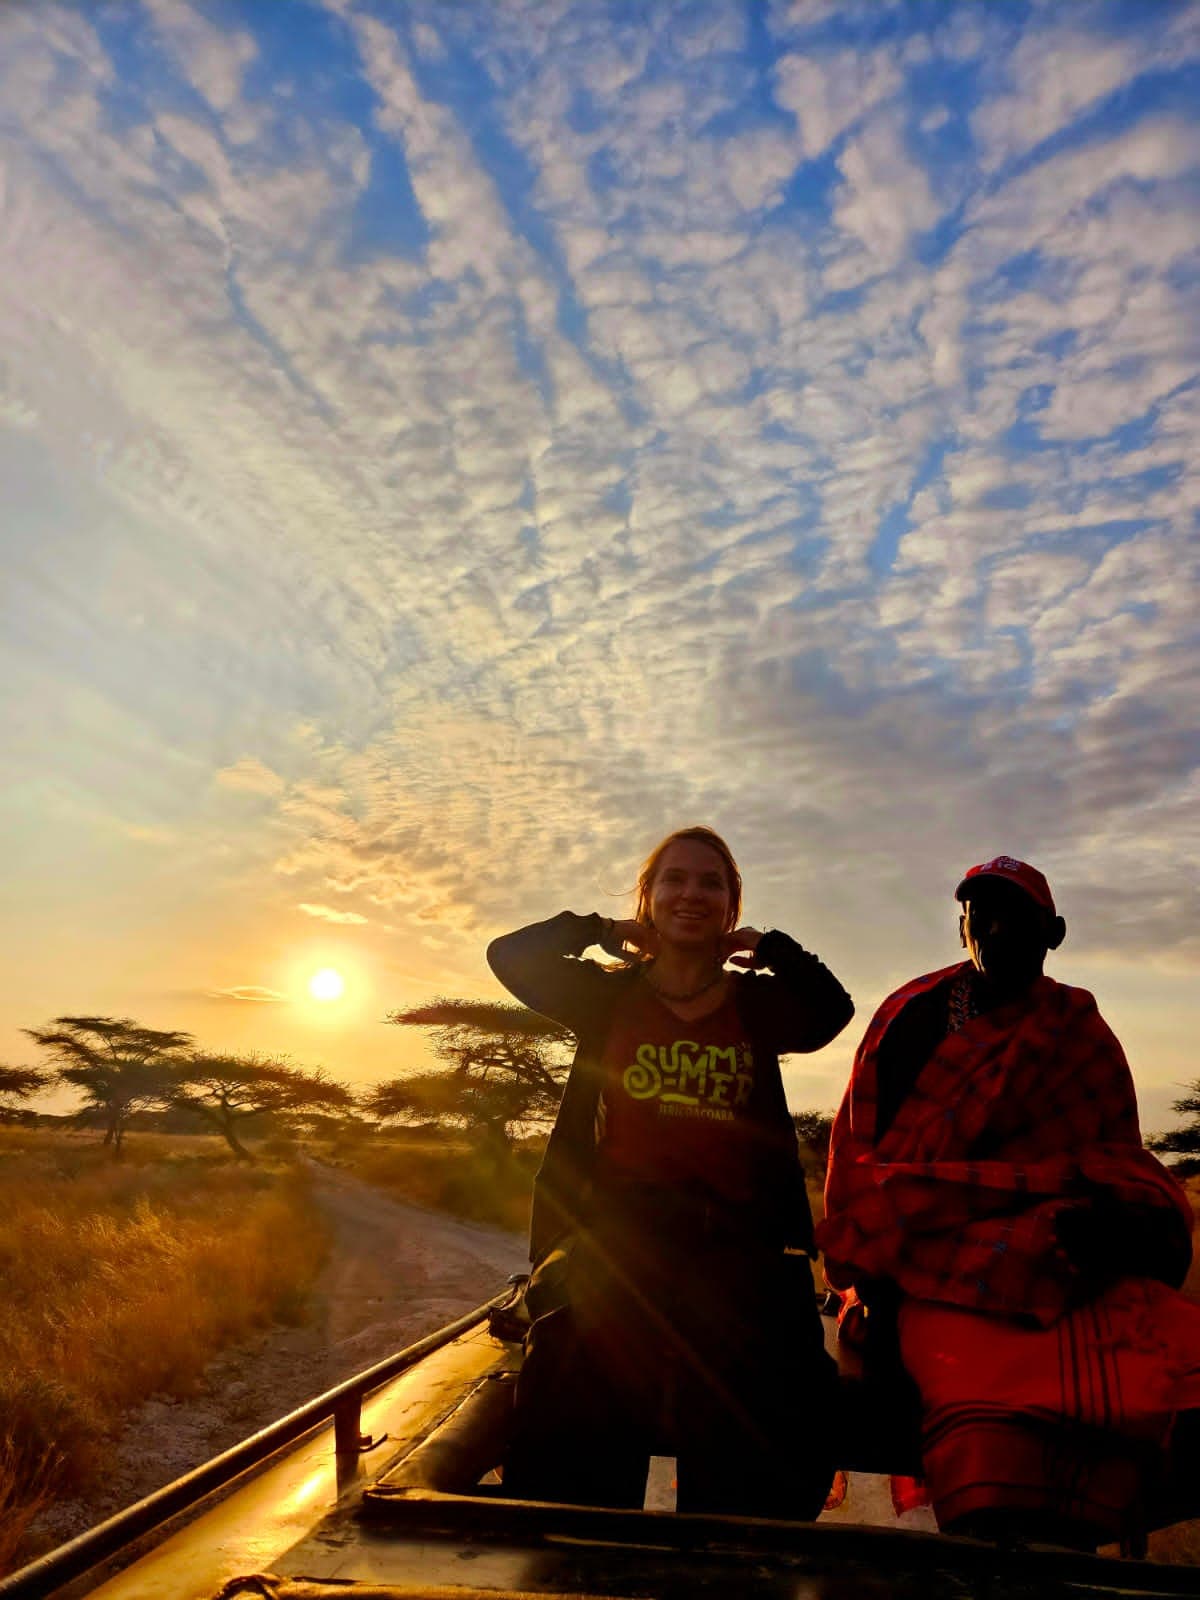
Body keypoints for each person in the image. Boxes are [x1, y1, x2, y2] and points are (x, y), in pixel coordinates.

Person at [819, 855, 1200, 1550]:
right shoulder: (911, 1016)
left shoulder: (1077, 1028)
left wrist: (1110, 1219)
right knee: (982, 1395)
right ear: (959, 926)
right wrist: (871, 1271)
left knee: (1154, 1358)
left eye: (1016, 920)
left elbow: (1114, 1159)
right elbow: (868, 1164)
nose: (994, 931)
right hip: (927, 1247)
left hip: (1057, 1242)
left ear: (1053, 933)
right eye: (978, 916)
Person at [487, 825, 853, 1517]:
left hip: (740, 1249)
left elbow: (831, 1010)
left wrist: (773, 950)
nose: (693, 893)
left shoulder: (758, 1006)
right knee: (571, 1397)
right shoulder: (603, 996)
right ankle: (582, 1570)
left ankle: (729, 1571)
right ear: (647, 898)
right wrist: (597, 928)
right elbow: (511, 956)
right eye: (674, 880)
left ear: (731, 907)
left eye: (711, 883)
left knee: (774, 1413)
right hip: (618, 1239)